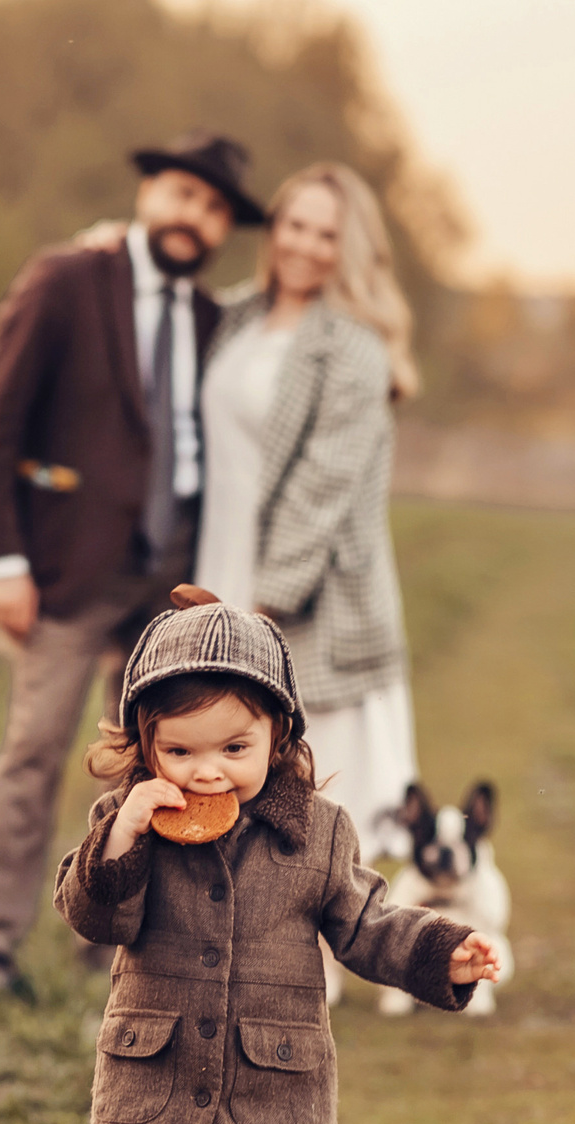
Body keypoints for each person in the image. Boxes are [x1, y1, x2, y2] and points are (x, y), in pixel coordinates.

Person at [54, 592, 500, 1124]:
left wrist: (441, 952)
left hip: (273, 1076)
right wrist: (123, 842)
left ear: (280, 739)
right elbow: (93, 916)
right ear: (143, 744)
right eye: (178, 749)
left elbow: (369, 923)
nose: (206, 770)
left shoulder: (319, 835)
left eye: (234, 746)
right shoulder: (126, 824)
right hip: (161, 1065)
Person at [0, 131, 267, 998]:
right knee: (35, 749)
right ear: (148, 193)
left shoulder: (211, 318)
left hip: (171, 578)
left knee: (150, 763)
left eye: (210, 209)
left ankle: (115, 935)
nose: (192, 216)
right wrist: (0, 559)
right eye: (180, 194)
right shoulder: (66, 280)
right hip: (67, 565)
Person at [196, 162, 424, 864]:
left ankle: (318, 969)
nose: (305, 245)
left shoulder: (352, 348)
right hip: (221, 562)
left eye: (327, 235)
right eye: (295, 225)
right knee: (227, 776)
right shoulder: (241, 317)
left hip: (305, 600)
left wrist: (266, 610)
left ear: (350, 249)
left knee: (316, 799)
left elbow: (320, 492)